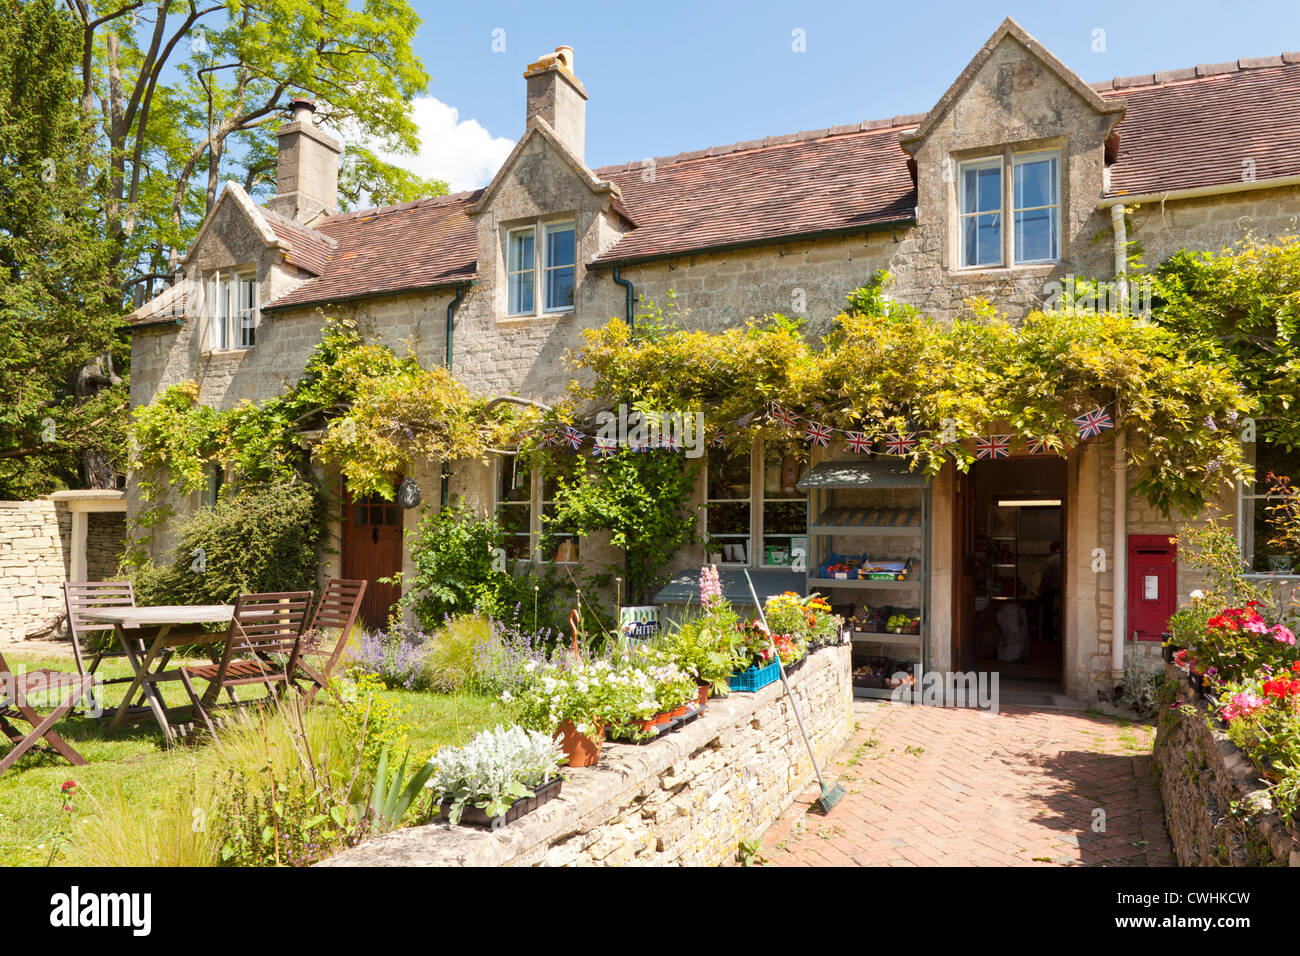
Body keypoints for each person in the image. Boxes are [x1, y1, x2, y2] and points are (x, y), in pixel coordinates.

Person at [1039, 541, 1062, 641]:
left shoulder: (1049, 561)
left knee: (1049, 615)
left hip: (1052, 592)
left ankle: (1047, 637)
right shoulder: (1068, 559)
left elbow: (1046, 580)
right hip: (1065, 592)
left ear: (1052, 549)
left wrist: (1041, 590)